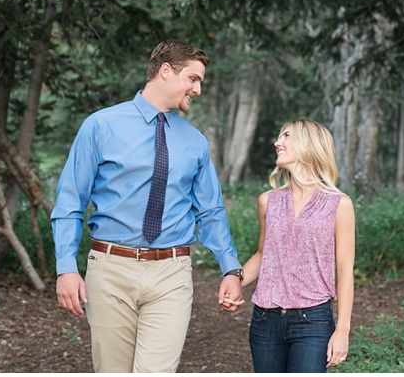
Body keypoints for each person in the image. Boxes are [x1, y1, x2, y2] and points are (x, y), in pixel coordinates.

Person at [52, 40, 244, 373]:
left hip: (172, 273)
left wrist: (230, 268)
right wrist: (66, 266)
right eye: (193, 79)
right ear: (166, 71)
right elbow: (71, 200)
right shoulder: (101, 126)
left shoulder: (195, 142)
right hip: (110, 269)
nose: (198, 89)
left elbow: (210, 211)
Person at [234, 119, 356, 373]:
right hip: (264, 320)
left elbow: (345, 271)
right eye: (280, 136)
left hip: (313, 321)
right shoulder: (268, 201)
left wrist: (342, 330)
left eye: (286, 136)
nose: (278, 142)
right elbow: (262, 254)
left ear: (310, 145)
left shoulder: (339, 204)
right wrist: (234, 282)